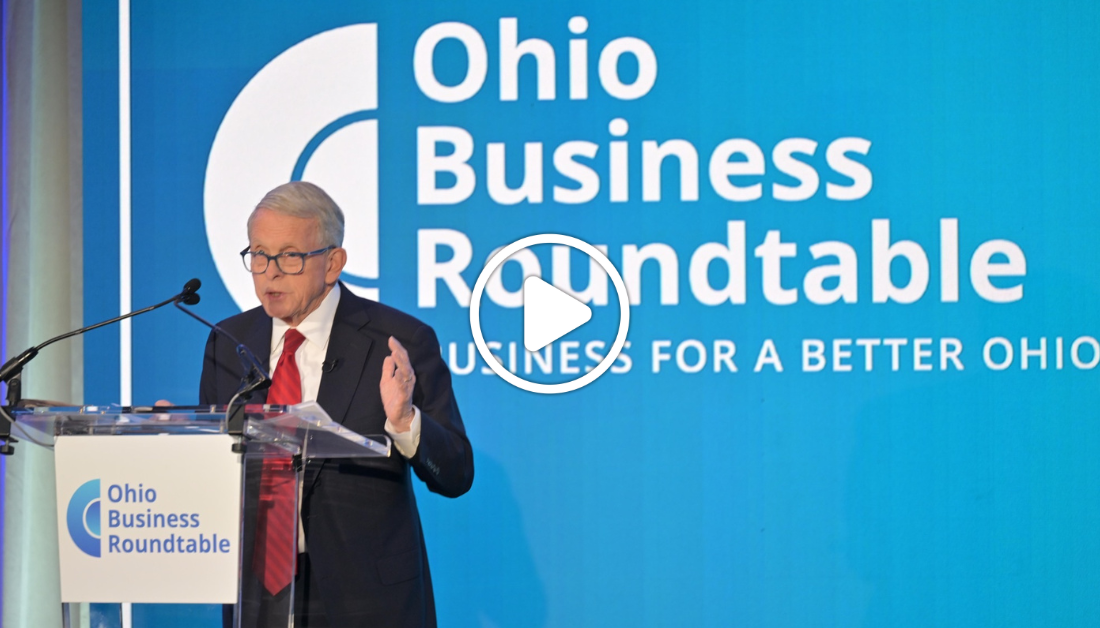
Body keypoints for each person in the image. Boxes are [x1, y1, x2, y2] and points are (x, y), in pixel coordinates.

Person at [199, 181, 474, 627]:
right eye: (258, 255)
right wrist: (184, 437)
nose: (269, 272)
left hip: (366, 600)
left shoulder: (396, 340)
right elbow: (219, 468)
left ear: (332, 263)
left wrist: (405, 421)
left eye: (289, 256)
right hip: (257, 596)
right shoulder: (228, 341)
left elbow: (457, 473)